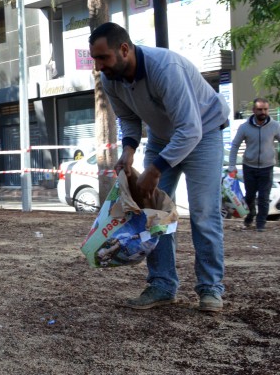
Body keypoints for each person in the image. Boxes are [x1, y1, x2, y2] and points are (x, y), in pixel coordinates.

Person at [89, 22, 230, 313]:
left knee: (204, 212)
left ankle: (210, 289)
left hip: (203, 133)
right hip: (162, 136)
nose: (99, 66)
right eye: (95, 59)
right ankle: (162, 285)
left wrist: (155, 170)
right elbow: (128, 119)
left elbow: (190, 130)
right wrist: (128, 151)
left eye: (103, 58)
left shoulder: (164, 69)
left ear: (124, 49)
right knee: (155, 214)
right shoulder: (110, 80)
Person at [229, 98, 280, 231]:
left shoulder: (275, 126)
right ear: (254, 110)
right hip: (249, 167)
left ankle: (260, 224)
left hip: (267, 167)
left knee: (264, 197)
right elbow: (235, 145)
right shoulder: (244, 127)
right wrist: (232, 165)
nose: (263, 112)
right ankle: (251, 213)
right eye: (259, 109)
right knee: (250, 196)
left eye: (265, 109)